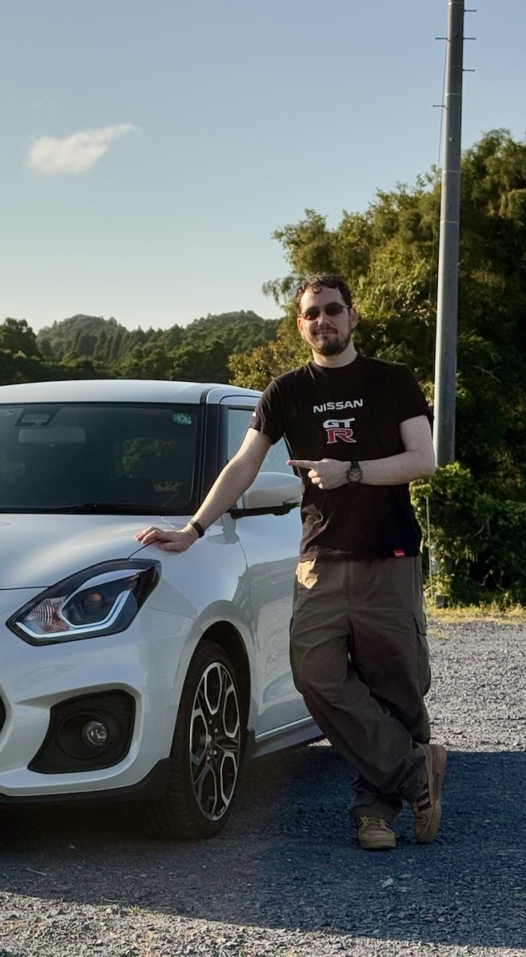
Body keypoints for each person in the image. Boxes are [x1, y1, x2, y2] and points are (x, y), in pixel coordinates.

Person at [136, 274, 444, 850]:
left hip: (389, 554)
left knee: (395, 685)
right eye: (312, 314)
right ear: (300, 324)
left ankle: (374, 813)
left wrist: (350, 470)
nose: (323, 321)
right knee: (314, 674)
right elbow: (243, 466)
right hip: (321, 558)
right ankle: (413, 770)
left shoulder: (391, 381)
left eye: (332, 310)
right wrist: (193, 528)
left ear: (352, 317)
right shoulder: (284, 392)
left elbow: (422, 459)